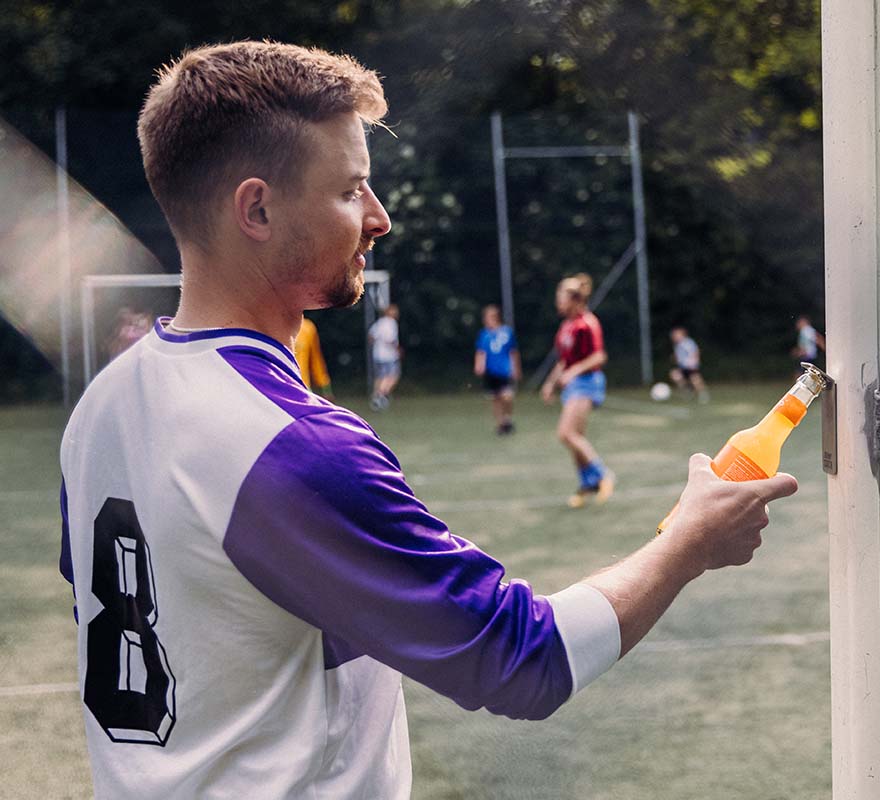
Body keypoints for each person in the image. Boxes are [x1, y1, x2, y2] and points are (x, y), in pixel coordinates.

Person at [58, 41, 798, 799]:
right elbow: (523, 661)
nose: (378, 219)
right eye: (351, 191)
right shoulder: (290, 445)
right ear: (257, 208)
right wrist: (687, 544)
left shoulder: (100, 408)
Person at [541, 273, 616, 508]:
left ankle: (603, 475)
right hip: (573, 385)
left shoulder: (587, 323)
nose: (558, 302)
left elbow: (598, 356)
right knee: (576, 438)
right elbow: (565, 361)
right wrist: (551, 382)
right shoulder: (566, 326)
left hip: (587, 383)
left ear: (574, 300)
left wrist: (574, 372)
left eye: (561, 297)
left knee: (566, 433)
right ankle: (587, 485)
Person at [474, 304, 520, 434]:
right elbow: (481, 352)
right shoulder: (484, 334)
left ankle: (507, 419)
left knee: (507, 396)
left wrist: (515, 368)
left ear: (495, 317)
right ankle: (501, 425)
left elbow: (513, 351)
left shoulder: (506, 332)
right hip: (490, 370)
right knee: (495, 398)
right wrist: (479, 365)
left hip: (504, 370)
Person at [368, 303, 402, 410]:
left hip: (377, 354)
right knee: (392, 376)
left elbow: (371, 337)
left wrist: (378, 345)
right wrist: (397, 349)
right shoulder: (391, 323)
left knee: (380, 377)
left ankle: (375, 396)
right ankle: (381, 396)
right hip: (389, 355)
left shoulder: (379, 322)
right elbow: (390, 340)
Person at [294, 315, 334, 398]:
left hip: (302, 386)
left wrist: (325, 387)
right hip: (279, 385)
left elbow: (316, 359)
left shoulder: (307, 327)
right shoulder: (271, 326)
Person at [669, 325, 709, 402]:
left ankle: (703, 395)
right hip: (682, 366)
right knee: (675, 375)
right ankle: (688, 391)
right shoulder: (677, 345)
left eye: (676, 334)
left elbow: (695, 351)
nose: (674, 336)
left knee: (695, 379)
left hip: (690, 365)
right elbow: (679, 356)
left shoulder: (687, 342)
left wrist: (694, 361)